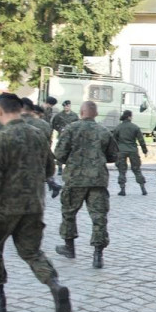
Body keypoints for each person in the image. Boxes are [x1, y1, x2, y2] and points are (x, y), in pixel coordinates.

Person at [0, 92, 71, 312]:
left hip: (5, 206)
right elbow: (50, 169)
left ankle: (0, 296)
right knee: (32, 252)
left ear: (0, 112)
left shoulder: (2, 138)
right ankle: (54, 284)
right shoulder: (38, 134)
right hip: (34, 205)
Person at [54, 100, 119, 268]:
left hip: (75, 179)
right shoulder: (104, 131)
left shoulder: (71, 129)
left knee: (69, 212)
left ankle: (69, 248)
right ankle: (98, 255)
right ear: (96, 114)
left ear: (81, 113)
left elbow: (59, 155)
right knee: (99, 217)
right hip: (97, 180)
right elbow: (113, 156)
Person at [21, 98, 61, 198]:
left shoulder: (10, 123)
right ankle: (53, 184)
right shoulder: (45, 125)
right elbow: (48, 145)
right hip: (37, 166)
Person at [112, 109, 149, 196]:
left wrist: (114, 151)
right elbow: (141, 140)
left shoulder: (118, 127)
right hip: (133, 150)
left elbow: (113, 141)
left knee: (121, 170)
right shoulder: (135, 127)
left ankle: (122, 189)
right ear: (129, 117)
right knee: (137, 170)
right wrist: (145, 151)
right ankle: (143, 188)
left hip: (121, 151)